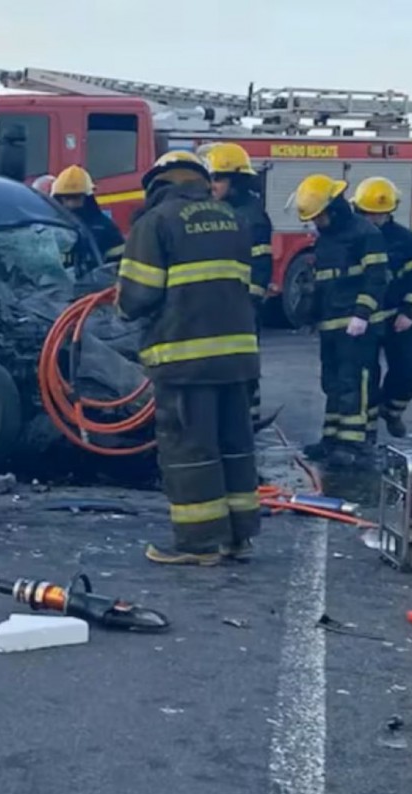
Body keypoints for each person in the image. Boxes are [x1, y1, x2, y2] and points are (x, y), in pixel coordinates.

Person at [116, 151, 259, 566]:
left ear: (158, 183)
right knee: (233, 444)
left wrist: (119, 304)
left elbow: (138, 295)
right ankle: (237, 538)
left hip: (185, 359)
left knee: (189, 449)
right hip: (237, 359)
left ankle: (197, 545)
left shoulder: (156, 222)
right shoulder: (233, 219)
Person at [289, 173, 387, 468]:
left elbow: (376, 279)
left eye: (318, 217)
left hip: (356, 326)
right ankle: (331, 438)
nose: (315, 223)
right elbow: (320, 281)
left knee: (352, 383)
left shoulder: (366, 234)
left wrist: (362, 314)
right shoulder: (326, 239)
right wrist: (311, 314)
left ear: (333, 209)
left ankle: (353, 443)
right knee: (331, 382)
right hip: (330, 323)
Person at [352, 177, 412, 439]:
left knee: (410, 365)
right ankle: (368, 434)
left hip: (397, 317)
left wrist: (410, 310)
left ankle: (392, 410)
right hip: (363, 320)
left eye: (381, 214)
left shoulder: (405, 240)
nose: (375, 219)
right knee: (366, 377)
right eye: (369, 214)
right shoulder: (353, 239)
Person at [205, 142, 272, 426]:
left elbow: (260, 265)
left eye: (218, 178)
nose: (212, 185)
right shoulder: (217, 209)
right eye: (210, 178)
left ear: (236, 180)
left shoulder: (251, 216)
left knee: (242, 365)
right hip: (220, 302)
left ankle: (247, 422)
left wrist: (249, 301)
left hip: (241, 304)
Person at [51, 165, 125, 264]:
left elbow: (118, 264)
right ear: (58, 199)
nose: (71, 204)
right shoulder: (50, 226)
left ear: (87, 198)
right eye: (66, 198)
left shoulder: (105, 228)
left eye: (76, 197)